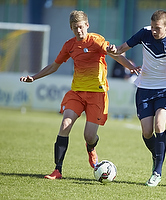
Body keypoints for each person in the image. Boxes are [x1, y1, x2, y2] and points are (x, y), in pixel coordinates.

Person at [20, 10, 137, 180]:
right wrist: (34, 77)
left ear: (87, 25)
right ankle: (57, 170)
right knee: (65, 124)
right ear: (71, 28)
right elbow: (54, 66)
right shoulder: (69, 45)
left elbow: (114, 53)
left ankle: (91, 148)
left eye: (81, 27)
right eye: (75, 28)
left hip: (97, 94)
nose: (79, 31)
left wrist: (130, 67)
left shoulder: (96, 40)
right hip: (77, 93)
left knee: (89, 136)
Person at [107, 10, 166, 187]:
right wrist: (113, 50)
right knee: (146, 132)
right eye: (152, 27)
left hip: (165, 89)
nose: (154, 31)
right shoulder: (144, 33)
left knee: (160, 125)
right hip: (144, 88)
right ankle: (157, 154)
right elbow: (120, 50)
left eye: (157, 28)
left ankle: (157, 171)